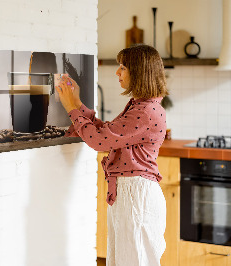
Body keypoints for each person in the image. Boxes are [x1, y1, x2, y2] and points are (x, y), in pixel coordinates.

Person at [56, 44, 168, 266]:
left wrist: (71, 108)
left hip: (136, 196)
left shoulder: (145, 111)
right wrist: (78, 103)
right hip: (131, 193)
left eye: (123, 67)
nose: (117, 72)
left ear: (139, 72)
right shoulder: (141, 106)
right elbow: (107, 133)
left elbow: (99, 141)